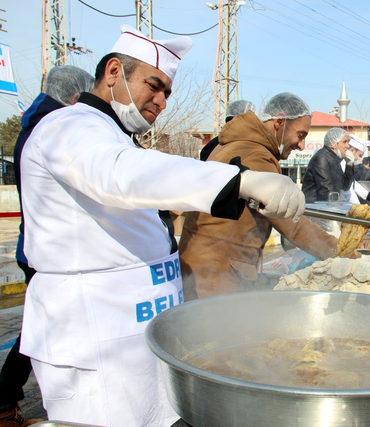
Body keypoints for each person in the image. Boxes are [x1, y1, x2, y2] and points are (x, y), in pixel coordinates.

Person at [17, 26, 305, 426]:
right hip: (94, 333)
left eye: (167, 92)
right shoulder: (69, 127)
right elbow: (119, 176)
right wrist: (239, 181)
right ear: (114, 71)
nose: (161, 101)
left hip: (135, 329)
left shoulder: (114, 136)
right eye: (154, 85)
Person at [0, 66, 94, 427]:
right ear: (74, 97)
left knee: (45, 325)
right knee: (43, 327)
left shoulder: (38, 123)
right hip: (50, 248)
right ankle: (6, 398)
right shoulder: (52, 130)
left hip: (41, 244)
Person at [179, 93, 344, 298]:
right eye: (300, 135)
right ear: (279, 123)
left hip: (204, 266)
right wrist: (342, 253)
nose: (301, 145)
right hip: (216, 273)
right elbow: (291, 223)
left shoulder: (238, 144)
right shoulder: (255, 154)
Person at [302, 127, 352, 203]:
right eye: (344, 142)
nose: (348, 146)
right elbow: (326, 191)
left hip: (325, 206)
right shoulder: (321, 158)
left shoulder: (335, 158)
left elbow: (345, 186)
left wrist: (349, 165)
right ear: (334, 143)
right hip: (313, 209)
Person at [342, 136, 370, 206]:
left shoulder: (349, 164)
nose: (360, 159)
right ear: (352, 150)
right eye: (360, 155)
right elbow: (347, 190)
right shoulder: (342, 164)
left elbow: (353, 184)